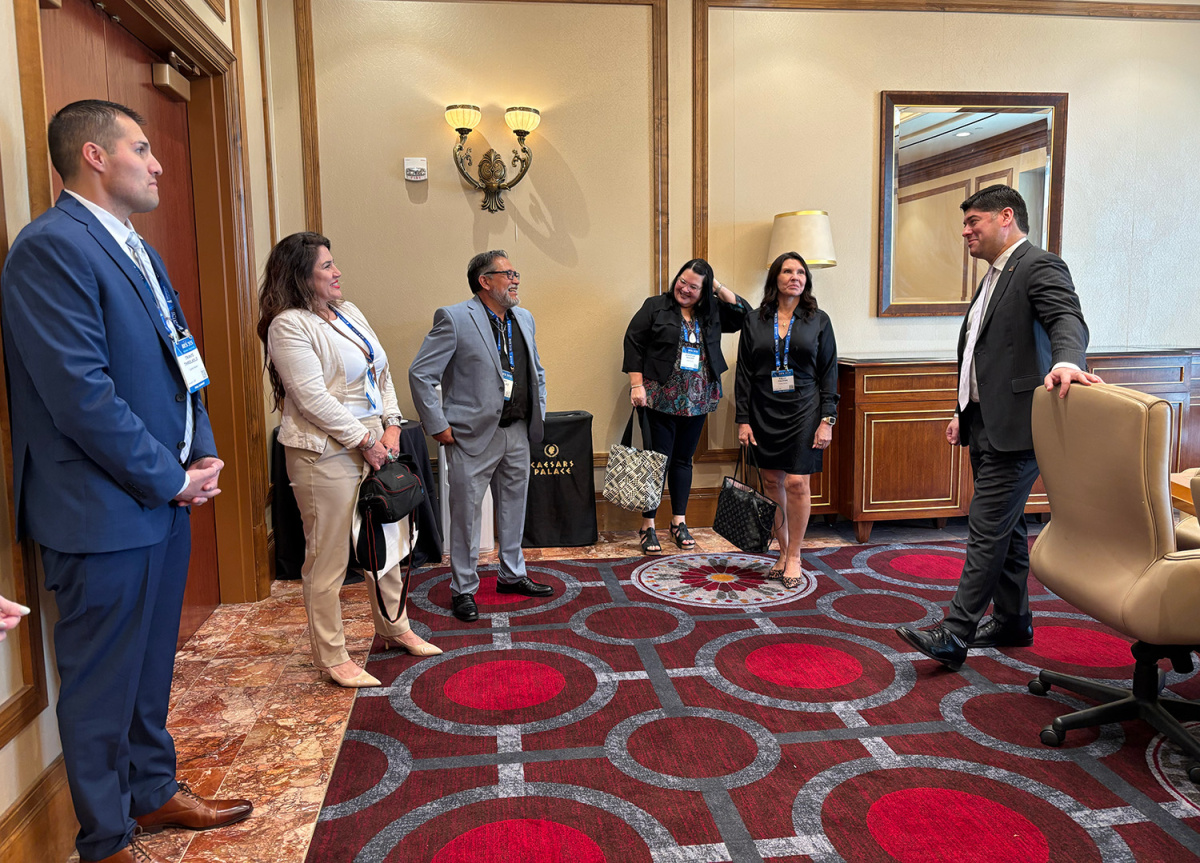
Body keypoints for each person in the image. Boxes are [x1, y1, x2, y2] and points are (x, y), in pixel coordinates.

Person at [0, 100, 251, 863]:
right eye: (142, 148)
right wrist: (167, 477)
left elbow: (183, 356)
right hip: (98, 510)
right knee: (102, 684)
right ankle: (105, 838)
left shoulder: (137, 248)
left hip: (161, 500)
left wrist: (200, 452)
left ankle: (152, 787)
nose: (158, 162)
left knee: (149, 668)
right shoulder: (50, 248)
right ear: (94, 156)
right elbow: (80, 394)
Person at [896, 185, 1099, 671]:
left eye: (974, 222)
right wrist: (961, 409)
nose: (966, 232)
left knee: (986, 527)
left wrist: (1069, 362)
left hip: (1020, 426)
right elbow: (981, 356)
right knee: (1005, 530)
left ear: (1006, 217)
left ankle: (955, 631)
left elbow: (1067, 319)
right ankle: (1013, 620)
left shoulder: (1038, 265)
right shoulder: (992, 278)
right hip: (984, 422)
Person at [260, 232, 441, 688]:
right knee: (329, 559)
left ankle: (394, 627)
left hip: (374, 443)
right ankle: (332, 655)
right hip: (324, 454)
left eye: (334, 264)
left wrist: (394, 422)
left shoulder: (348, 312)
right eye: (326, 266)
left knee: (387, 544)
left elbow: (380, 371)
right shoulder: (288, 325)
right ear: (301, 276)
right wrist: (365, 438)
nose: (337, 272)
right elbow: (312, 397)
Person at [409, 250, 552, 623]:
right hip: (471, 437)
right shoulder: (454, 318)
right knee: (467, 517)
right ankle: (463, 589)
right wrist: (437, 425)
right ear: (484, 281)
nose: (516, 279)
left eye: (516, 272)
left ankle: (512, 574)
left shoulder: (524, 318)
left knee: (513, 507)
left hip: (517, 431)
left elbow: (536, 369)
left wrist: (539, 406)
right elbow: (422, 373)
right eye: (508, 274)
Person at [623, 259, 751, 553]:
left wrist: (716, 285)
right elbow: (633, 342)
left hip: (699, 398)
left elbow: (746, 316)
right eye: (682, 281)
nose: (685, 289)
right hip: (660, 397)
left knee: (683, 460)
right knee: (657, 462)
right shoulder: (656, 306)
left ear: (704, 290)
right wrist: (636, 383)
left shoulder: (712, 312)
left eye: (694, 286)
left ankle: (678, 522)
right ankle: (648, 524)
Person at [735, 252, 839, 588]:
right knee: (770, 482)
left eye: (800, 272)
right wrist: (743, 419)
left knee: (797, 482)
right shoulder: (754, 320)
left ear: (807, 280)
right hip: (764, 408)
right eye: (787, 271)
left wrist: (828, 419)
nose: (795, 276)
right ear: (775, 278)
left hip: (805, 409)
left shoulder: (818, 319)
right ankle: (781, 551)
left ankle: (795, 554)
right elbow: (744, 374)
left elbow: (829, 371)